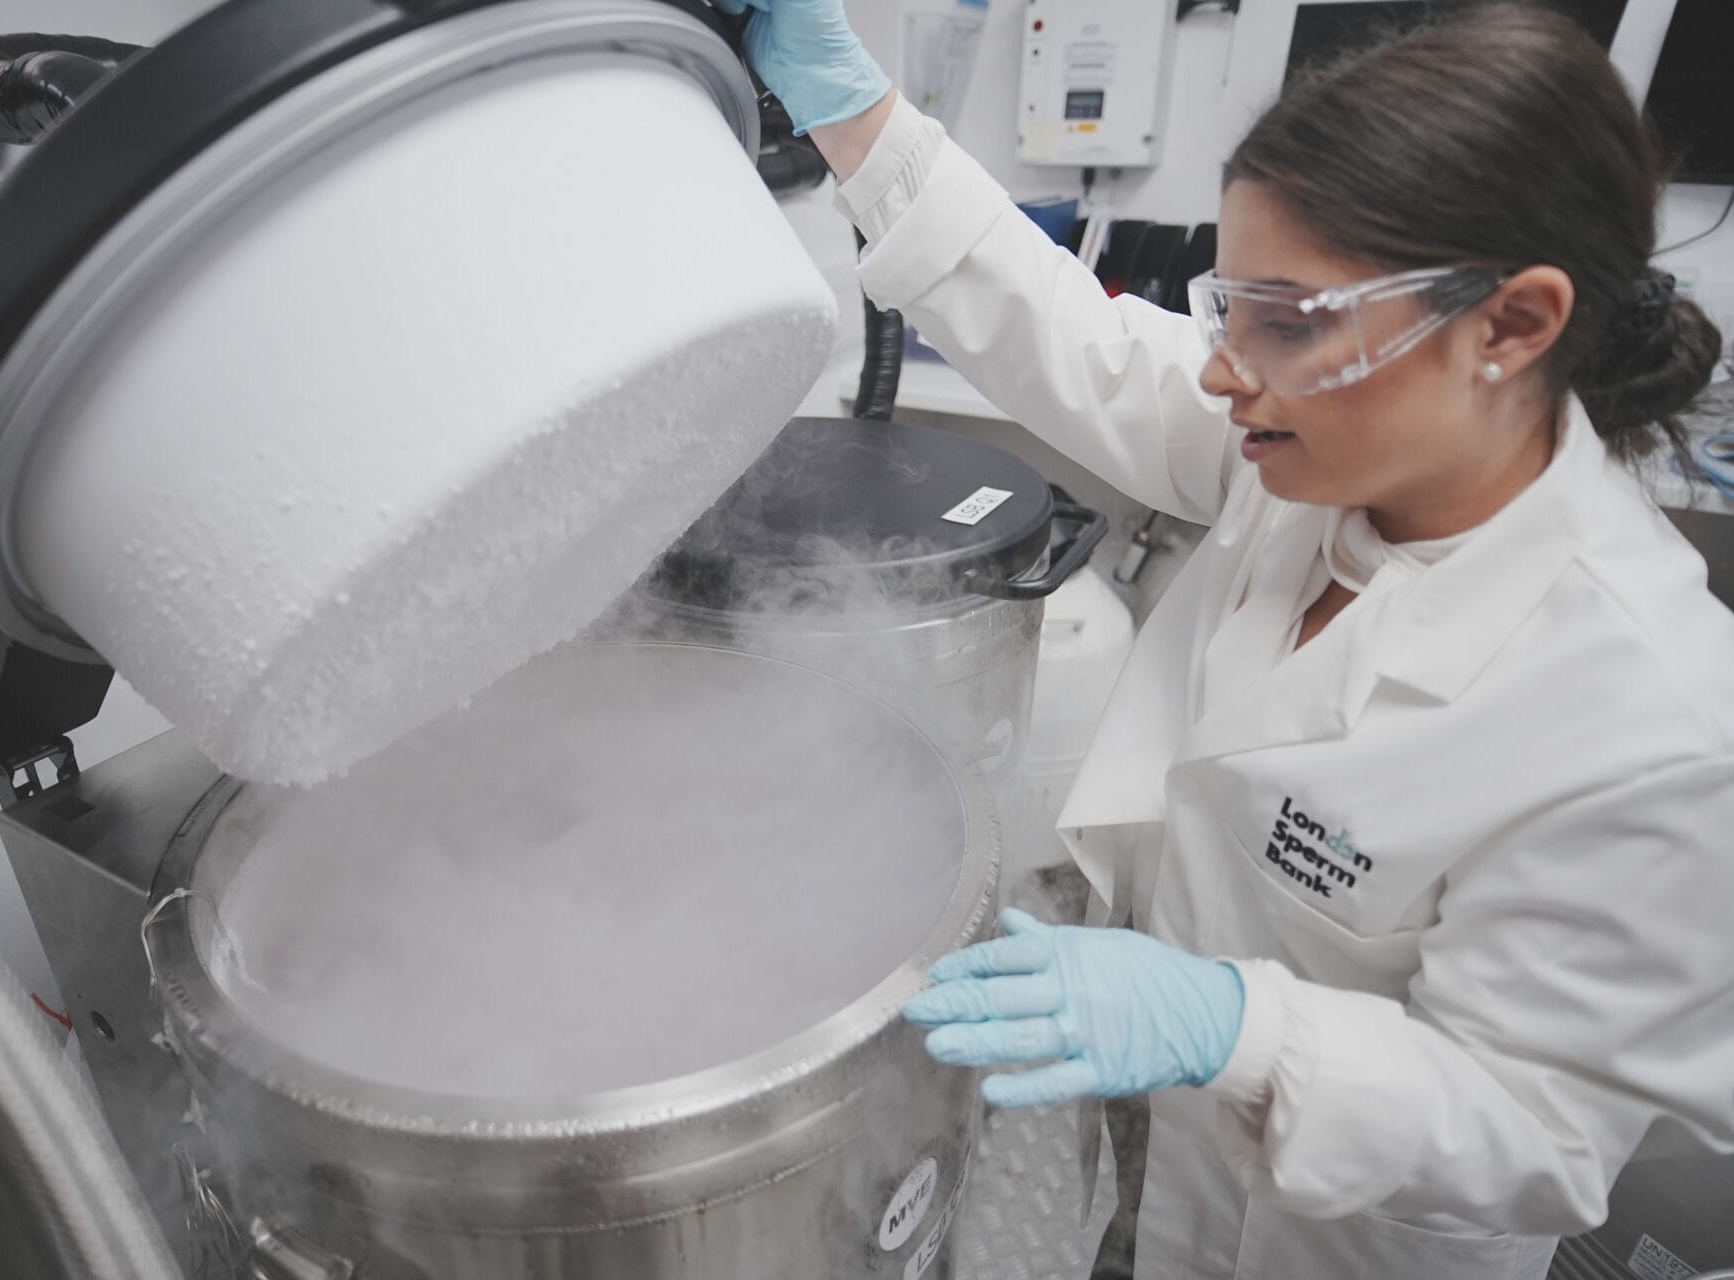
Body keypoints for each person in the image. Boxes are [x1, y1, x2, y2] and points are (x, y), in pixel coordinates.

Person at [712, 1, 1734, 1276]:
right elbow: (1083, 341)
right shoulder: (1324, 458)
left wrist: (1238, 1026)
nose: (1220, 371)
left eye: (1290, 321)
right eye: (1229, 306)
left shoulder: (1653, 720)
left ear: (1511, 326)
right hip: (1156, 1175)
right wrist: (852, 106)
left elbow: (1537, 1126)